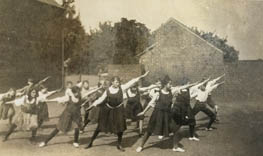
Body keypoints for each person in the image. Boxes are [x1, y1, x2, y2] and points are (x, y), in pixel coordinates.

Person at [84, 71, 150, 152]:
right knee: (99, 127)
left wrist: (142, 76)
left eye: (118, 82)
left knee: (120, 128)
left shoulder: (122, 88)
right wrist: (91, 106)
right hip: (108, 110)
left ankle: (119, 144)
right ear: (112, 82)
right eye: (116, 82)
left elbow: (132, 81)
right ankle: (90, 142)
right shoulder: (108, 90)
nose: (118, 83)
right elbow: (100, 99)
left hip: (118, 110)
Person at [136, 76, 195, 153]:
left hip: (167, 115)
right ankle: (141, 146)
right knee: (149, 130)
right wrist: (143, 112)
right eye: (169, 84)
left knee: (176, 129)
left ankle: (175, 147)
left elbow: (183, 86)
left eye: (171, 84)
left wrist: (193, 84)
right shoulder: (158, 93)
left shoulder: (172, 91)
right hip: (157, 114)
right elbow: (150, 103)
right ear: (165, 84)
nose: (171, 85)